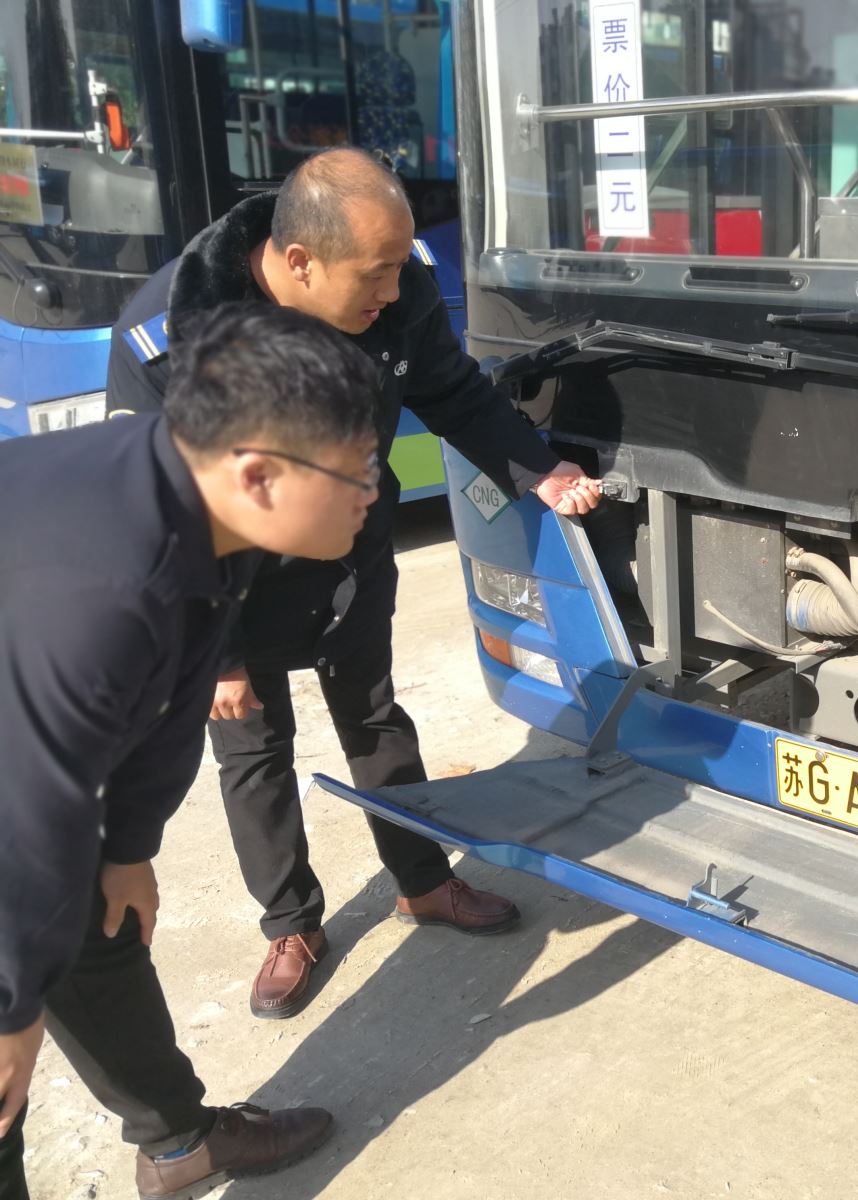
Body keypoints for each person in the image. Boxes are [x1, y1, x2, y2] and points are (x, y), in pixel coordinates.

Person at [106, 148, 603, 1022]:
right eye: (375, 273)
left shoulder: (395, 285)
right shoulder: (170, 334)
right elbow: (152, 506)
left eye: (399, 266)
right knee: (252, 745)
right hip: (229, 582)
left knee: (374, 714)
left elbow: (451, 390)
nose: (395, 289)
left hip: (349, 543)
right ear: (300, 262)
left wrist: (537, 468)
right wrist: (213, 654)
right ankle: (290, 924)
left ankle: (423, 878)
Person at [0, 304, 383, 1200]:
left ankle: (179, 1143)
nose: (372, 491)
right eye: (358, 469)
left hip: (26, 751)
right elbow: (28, 810)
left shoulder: (202, 507)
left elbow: (179, 694)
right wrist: (11, 1010)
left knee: (96, 919)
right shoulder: (102, 594)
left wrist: (128, 845)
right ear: (257, 474)